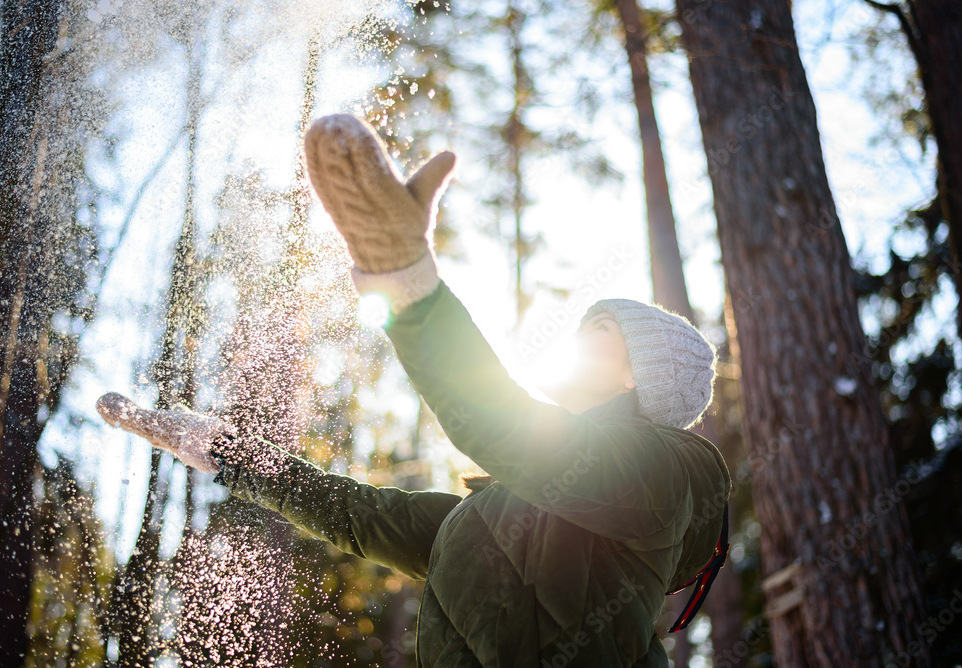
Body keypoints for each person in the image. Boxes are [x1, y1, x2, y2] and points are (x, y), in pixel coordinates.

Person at [96, 114, 732, 667]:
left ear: (638, 376)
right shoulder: (496, 515)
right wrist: (222, 449)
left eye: (598, 329)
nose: (576, 335)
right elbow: (354, 512)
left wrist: (406, 278)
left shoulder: (665, 474)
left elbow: (506, 427)